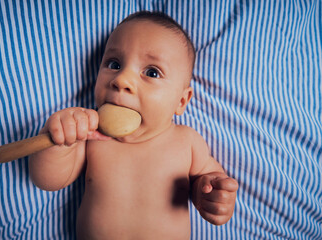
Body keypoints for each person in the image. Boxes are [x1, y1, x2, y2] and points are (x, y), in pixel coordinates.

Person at [29, 11, 239, 239]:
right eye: (114, 64)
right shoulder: (90, 135)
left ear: (181, 101)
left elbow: (210, 176)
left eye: (152, 72)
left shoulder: (186, 141)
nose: (121, 80)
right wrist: (61, 139)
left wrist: (209, 193)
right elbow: (48, 180)